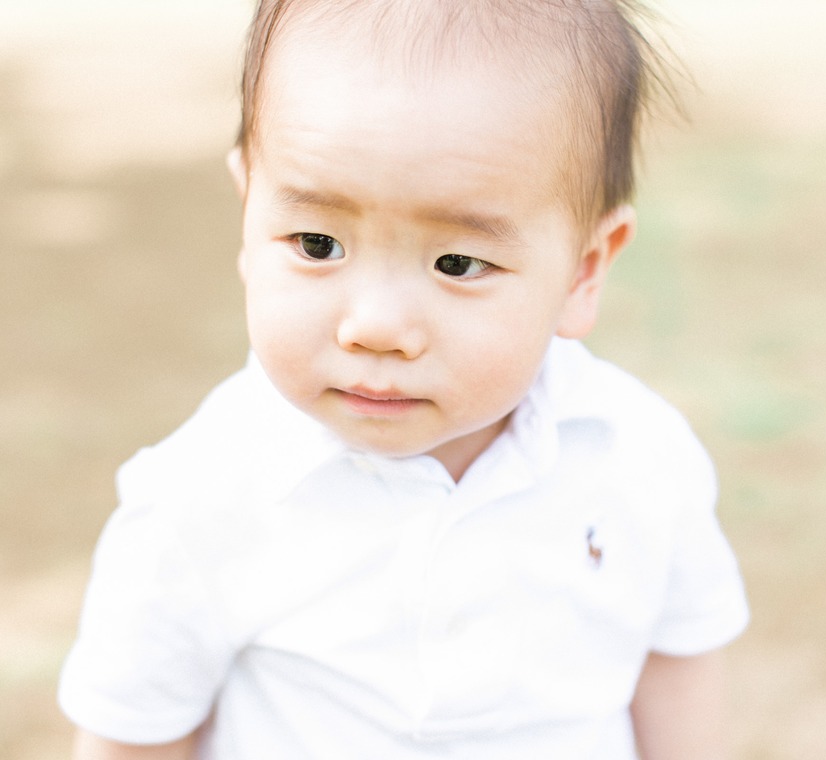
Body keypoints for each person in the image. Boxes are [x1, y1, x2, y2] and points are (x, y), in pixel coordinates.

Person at [58, 1, 749, 758]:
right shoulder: (200, 497)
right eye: (317, 243)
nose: (377, 326)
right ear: (249, 216)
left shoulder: (638, 458)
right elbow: (135, 739)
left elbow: (675, 660)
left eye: (457, 262)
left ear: (584, 271)